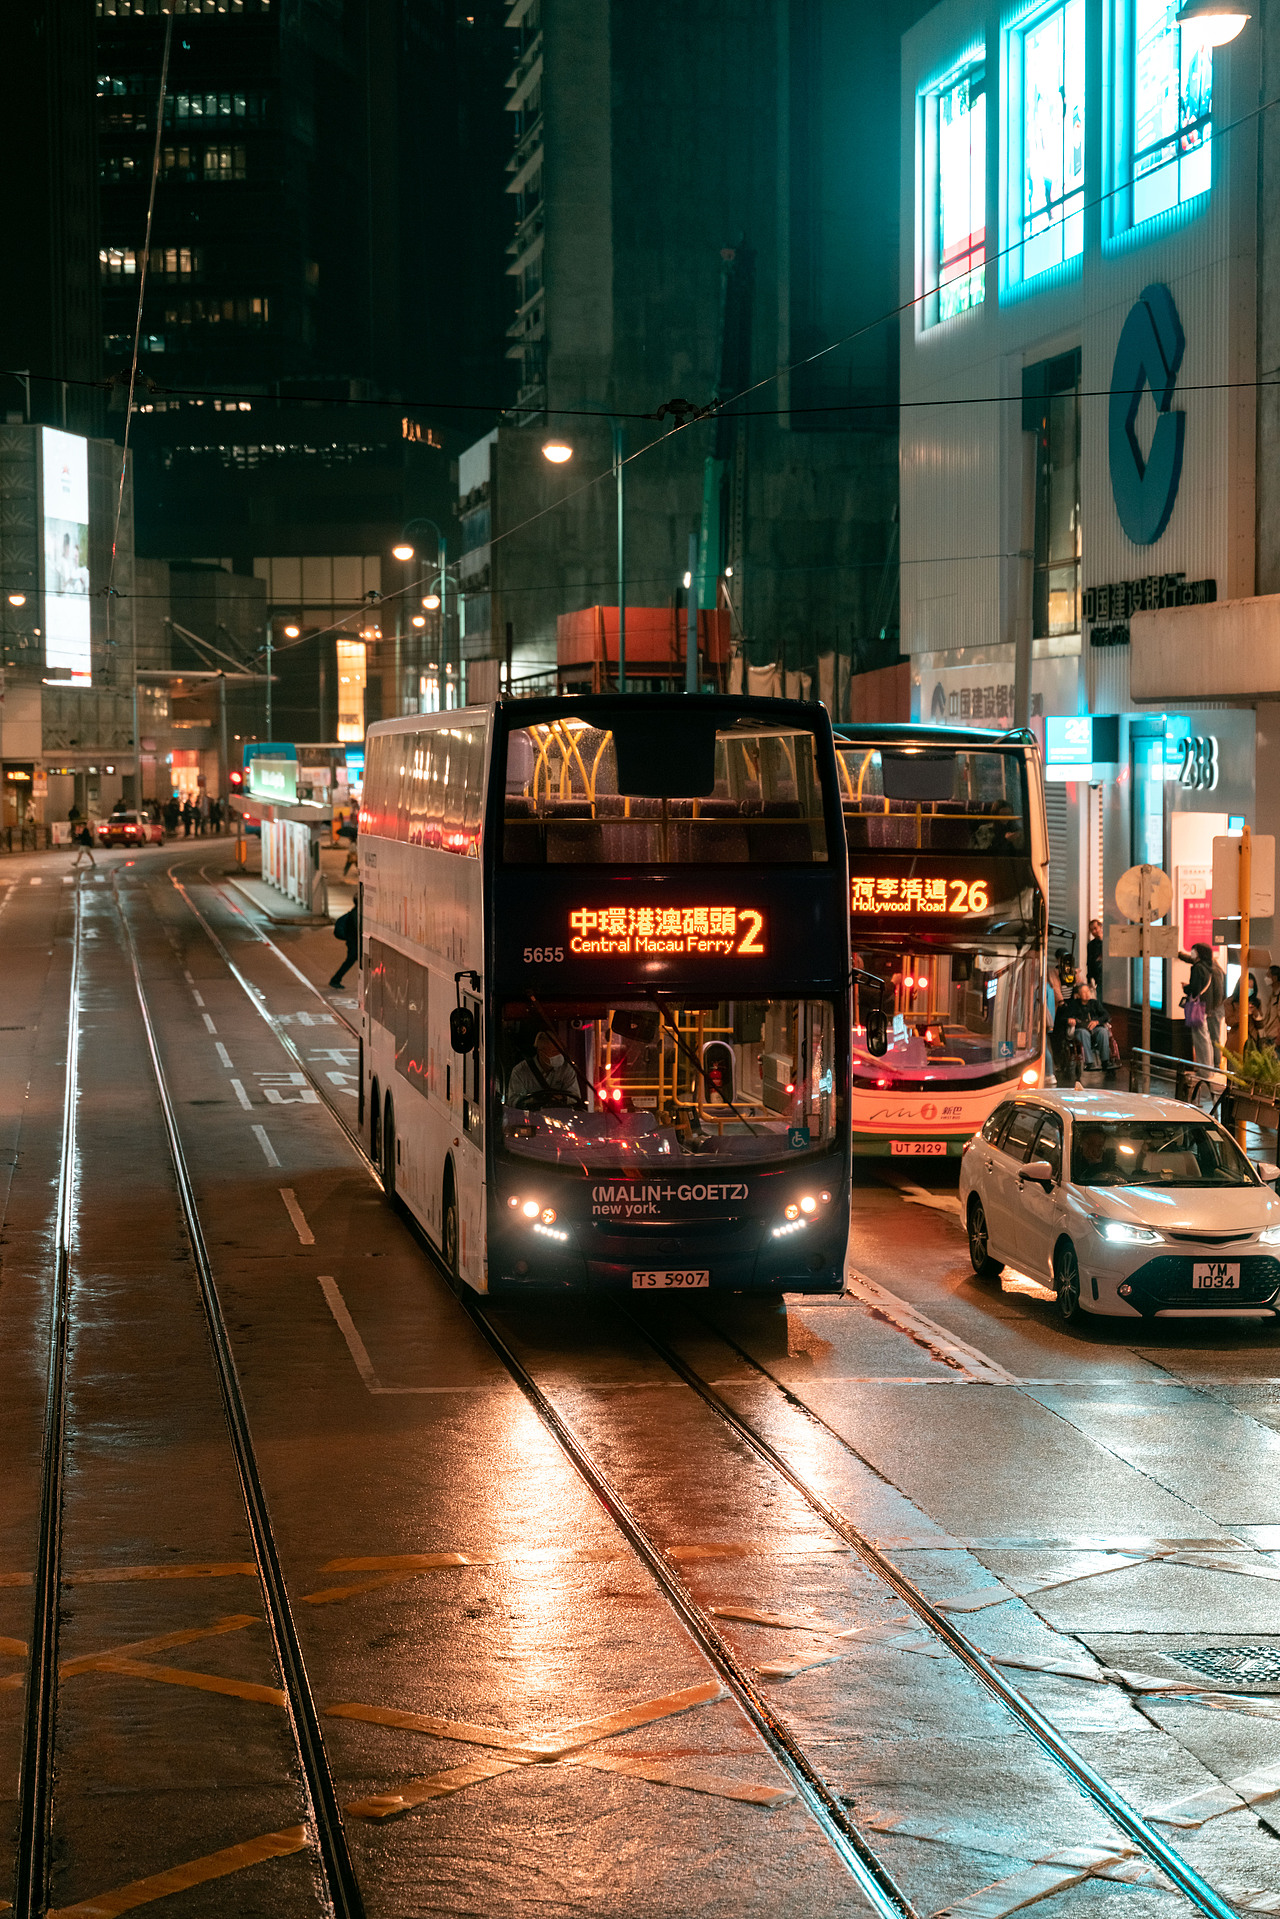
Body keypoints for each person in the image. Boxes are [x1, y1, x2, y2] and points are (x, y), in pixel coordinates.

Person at [506, 1030, 582, 1108]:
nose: (558, 1055)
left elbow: (575, 1097)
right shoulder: (520, 1071)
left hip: (561, 1116)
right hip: (531, 1117)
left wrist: (561, 1098)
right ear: (541, 1053)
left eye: (559, 1051)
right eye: (553, 1052)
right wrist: (534, 1101)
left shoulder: (566, 1069)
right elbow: (513, 1101)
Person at [1178, 941, 1214, 1070]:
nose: (1192, 952)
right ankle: (1208, 1067)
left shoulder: (1198, 968)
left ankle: (1204, 1070)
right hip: (1205, 1006)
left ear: (1199, 953)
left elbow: (1194, 989)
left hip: (1197, 1007)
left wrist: (1186, 988)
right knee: (1205, 1037)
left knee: (1200, 1038)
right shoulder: (1208, 967)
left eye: (1194, 950)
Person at [1075, 980, 1120, 1071]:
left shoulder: (1095, 1003)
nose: (1087, 994)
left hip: (1095, 1028)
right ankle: (1089, 1063)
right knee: (1084, 1033)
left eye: (1088, 991)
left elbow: (1106, 1015)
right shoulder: (1074, 1005)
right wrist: (1071, 1020)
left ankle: (1105, 1061)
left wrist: (1096, 1022)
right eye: (1083, 992)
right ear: (1078, 995)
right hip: (1081, 1029)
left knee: (1103, 1031)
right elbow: (1066, 1018)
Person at [329, 906, 359, 988]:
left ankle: (336, 979)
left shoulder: (354, 912)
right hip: (354, 943)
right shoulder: (356, 914)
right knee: (350, 961)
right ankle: (335, 979)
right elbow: (357, 929)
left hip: (353, 942)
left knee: (350, 961)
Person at [338, 810, 358, 877]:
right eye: (353, 817)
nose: (354, 819)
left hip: (355, 850)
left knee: (353, 863)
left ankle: (345, 873)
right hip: (353, 850)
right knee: (351, 862)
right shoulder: (350, 825)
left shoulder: (358, 826)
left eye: (355, 817)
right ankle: (345, 873)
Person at [1086, 918, 1103, 994]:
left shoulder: (1109, 941)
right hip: (1098, 977)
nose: (1094, 932)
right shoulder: (1091, 945)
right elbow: (1089, 962)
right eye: (1091, 930)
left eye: (1095, 928)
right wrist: (1089, 979)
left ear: (1100, 927)